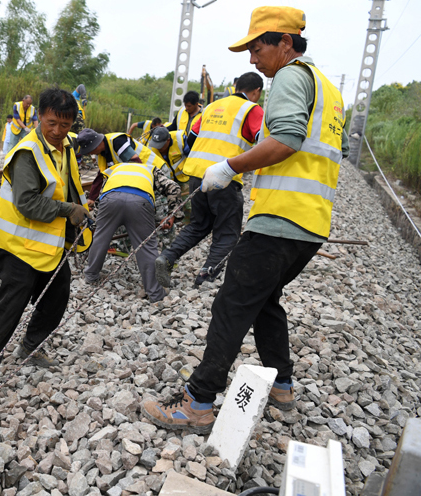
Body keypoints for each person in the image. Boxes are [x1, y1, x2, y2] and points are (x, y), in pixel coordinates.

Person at [142, 6, 348, 433]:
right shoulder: (328, 89)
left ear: (285, 43)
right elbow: (330, 149)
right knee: (264, 300)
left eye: (257, 48)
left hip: (279, 218)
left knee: (232, 304)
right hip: (312, 223)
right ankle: (282, 385)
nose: (253, 59)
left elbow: (287, 139)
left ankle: (198, 403)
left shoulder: (290, 75)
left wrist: (230, 166)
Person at [0, 88, 94, 415]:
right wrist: (68, 210)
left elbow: (66, 183)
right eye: (51, 123)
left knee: (57, 296)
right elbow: (26, 203)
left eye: (65, 125)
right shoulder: (27, 152)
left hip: (46, 244)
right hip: (16, 245)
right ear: (39, 117)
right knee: (10, 308)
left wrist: (81, 206)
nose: (57, 131)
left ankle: (30, 346)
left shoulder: (66, 145)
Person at [154, 71, 265, 288]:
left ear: (236, 87)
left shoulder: (212, 107)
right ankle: (206, 277)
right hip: (224, 176)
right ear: (257, 91)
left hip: (196, 174)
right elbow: (263, 141)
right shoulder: (251, 109)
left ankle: (167, 257)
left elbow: (190, 140)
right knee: (228, 232)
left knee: (199, 224)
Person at [83, 161, 183, 303]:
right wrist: (172, 214)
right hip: (140, 201)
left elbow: (101, 196)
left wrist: (96, 222)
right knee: (147, 246)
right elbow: (174, 187)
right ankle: (155, 293)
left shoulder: (114, 170)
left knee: (100, 238)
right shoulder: (151, 169)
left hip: (110, 199)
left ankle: (91, 275)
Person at [76, 129, 161, 207]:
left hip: (155, 172)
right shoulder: (100, 154)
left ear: (95, 145)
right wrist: (92, 198)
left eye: (89, 150)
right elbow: (102, 176)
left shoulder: (117, 142)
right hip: (145, 176)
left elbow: (136, 165)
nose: (89, 153)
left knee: (155, 208)